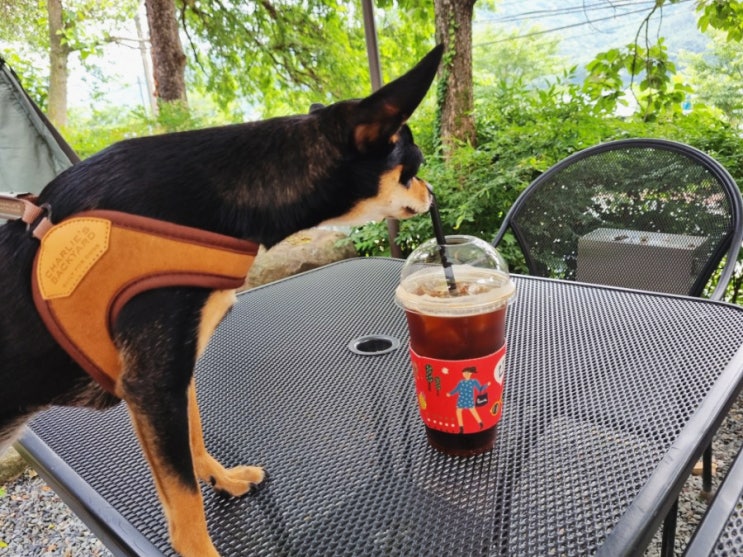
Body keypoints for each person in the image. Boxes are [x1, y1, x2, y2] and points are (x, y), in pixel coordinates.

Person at [447, 366, 489, 433]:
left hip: (469, 399)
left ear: (470, 374)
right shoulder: (461, 382)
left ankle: (480, 423)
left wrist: (486, 385)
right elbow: (456, 389)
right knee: (458, 411)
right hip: (461, 399)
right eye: (464, 373)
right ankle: (461, 427)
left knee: (473, 411)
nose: (465, 375)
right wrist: (450, 393)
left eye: (467, 373)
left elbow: (480, 389)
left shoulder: (473, 381)